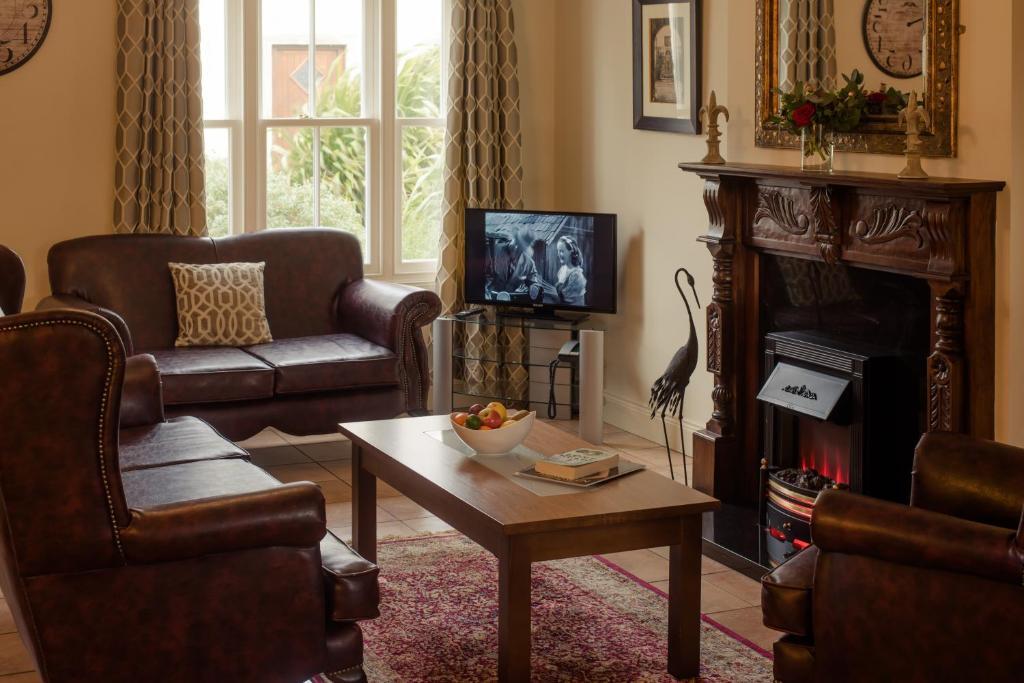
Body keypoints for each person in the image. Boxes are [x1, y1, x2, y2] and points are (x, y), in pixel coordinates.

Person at [487, 225, 540, 302]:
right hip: (491, 299)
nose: (516, 247)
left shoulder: (529, 263)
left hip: (512, 301)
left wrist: (533, 287)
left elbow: (533, 281)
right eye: (516, 243)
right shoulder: (494, 250)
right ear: (513, 239)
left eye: (520, 247)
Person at [555, 235, 587, 306]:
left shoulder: (576, 275)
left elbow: (567, 298)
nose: (559, 254)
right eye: (558, 251)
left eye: (562, 251)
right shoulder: (562, 269)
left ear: (570, 252)